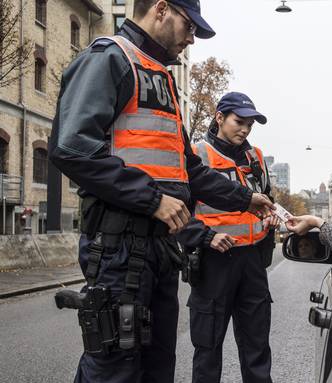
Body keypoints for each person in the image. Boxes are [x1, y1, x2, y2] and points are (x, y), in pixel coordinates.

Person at [48, 1, 273, 382]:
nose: (191, 38)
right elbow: (72, 148)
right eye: (189, 27)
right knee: (114, 370)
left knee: (157, 369)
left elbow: (189, 172)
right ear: (161, 9)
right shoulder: (111, 59)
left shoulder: (164, 80)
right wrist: (152, 199)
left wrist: (245, 199)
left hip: (161, 252)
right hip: (120, 249)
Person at [176, 92, 277, 383]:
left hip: (252, 263)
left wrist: (271, 216)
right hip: (212, 263)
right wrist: (206, 237)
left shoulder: (256, 157)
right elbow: (178, 211)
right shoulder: (197, 155)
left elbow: (267, 200)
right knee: (207, 352)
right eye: (239, 121)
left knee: (257, 349)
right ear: (220, 118)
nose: (245, 129)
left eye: (250, 124)